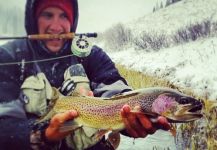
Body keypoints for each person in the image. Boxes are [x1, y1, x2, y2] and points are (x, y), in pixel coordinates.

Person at [0, 0, 170, 149]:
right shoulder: (10, 56)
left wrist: (133, 118)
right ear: (33, 19)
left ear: (73, 21)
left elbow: (113, 87)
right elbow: (4, 124)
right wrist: (43, 135)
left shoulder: (91, 54)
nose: (56, 26)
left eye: (64, 16)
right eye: (47, 15)